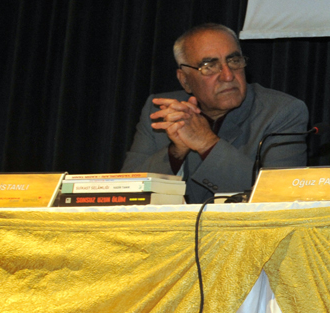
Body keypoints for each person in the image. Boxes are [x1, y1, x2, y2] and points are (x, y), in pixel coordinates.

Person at [121, 23, 309, 202]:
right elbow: (123, 191)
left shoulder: (282, 112)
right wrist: (176, 152)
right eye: (209, 66)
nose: (228, 75)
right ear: (185, 80)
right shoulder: (163, 111)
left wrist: (206, 143)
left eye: (234, 61)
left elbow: (281, 196)